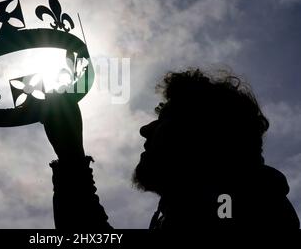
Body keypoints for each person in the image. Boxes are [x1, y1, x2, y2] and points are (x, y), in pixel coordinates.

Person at [40, 68, 300, 229]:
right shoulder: (202, 210)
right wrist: (71, 157)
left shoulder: (245, 210)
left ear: (201, 134)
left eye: (165, 117)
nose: (145, 129)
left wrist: (72, 159)